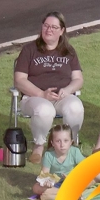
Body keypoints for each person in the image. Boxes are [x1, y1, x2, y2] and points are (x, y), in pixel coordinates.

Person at [14, 12, 85, 164]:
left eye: (54, 27)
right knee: (45, 110)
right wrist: (41, 94)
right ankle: (39, 145)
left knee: (75, 107)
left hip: (61, 97)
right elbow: (19, 80)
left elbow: (78, 79)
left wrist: (68, 89)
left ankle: (70, 146)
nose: (49, 30)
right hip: (33, 97)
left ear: (62, 30)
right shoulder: (29, 50)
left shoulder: (69, 51)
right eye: (46, 26)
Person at [31, 124, 85, 196]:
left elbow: (85, 167)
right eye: (58, 141)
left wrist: (71, 179)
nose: (62, 144)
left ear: (71, 142)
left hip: (72, 182)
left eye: (66, 141)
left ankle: (56, 194)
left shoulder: (75, 152)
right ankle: (68, 193)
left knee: (91, 178)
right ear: (52, 143)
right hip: (55, 184)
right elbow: (45, 174)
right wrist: (47, 182)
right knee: (36, 188)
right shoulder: (48, 155)